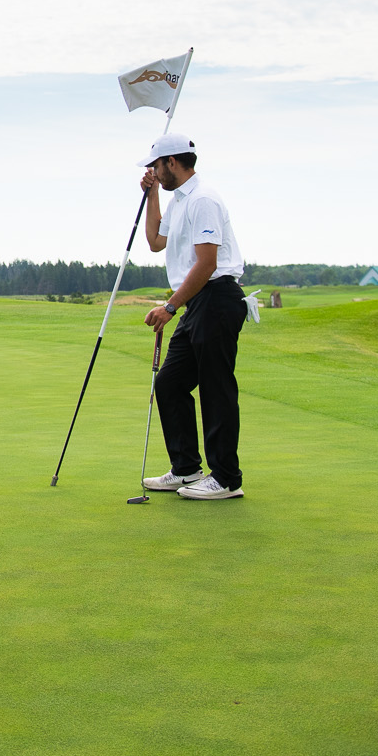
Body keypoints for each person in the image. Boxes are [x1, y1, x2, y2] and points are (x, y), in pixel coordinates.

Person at [137, 133, 247, 500]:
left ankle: (227, 478)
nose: (153, 171)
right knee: (169, 383)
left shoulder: (203, 200)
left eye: (155, 165)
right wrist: (151, 194)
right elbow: (154, 241)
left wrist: (170, 307)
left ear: (172, 162)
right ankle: (186, 468)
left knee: (216, 389)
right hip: (198, 303)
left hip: (216, 298)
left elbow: (207, 263)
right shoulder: (180, 201)